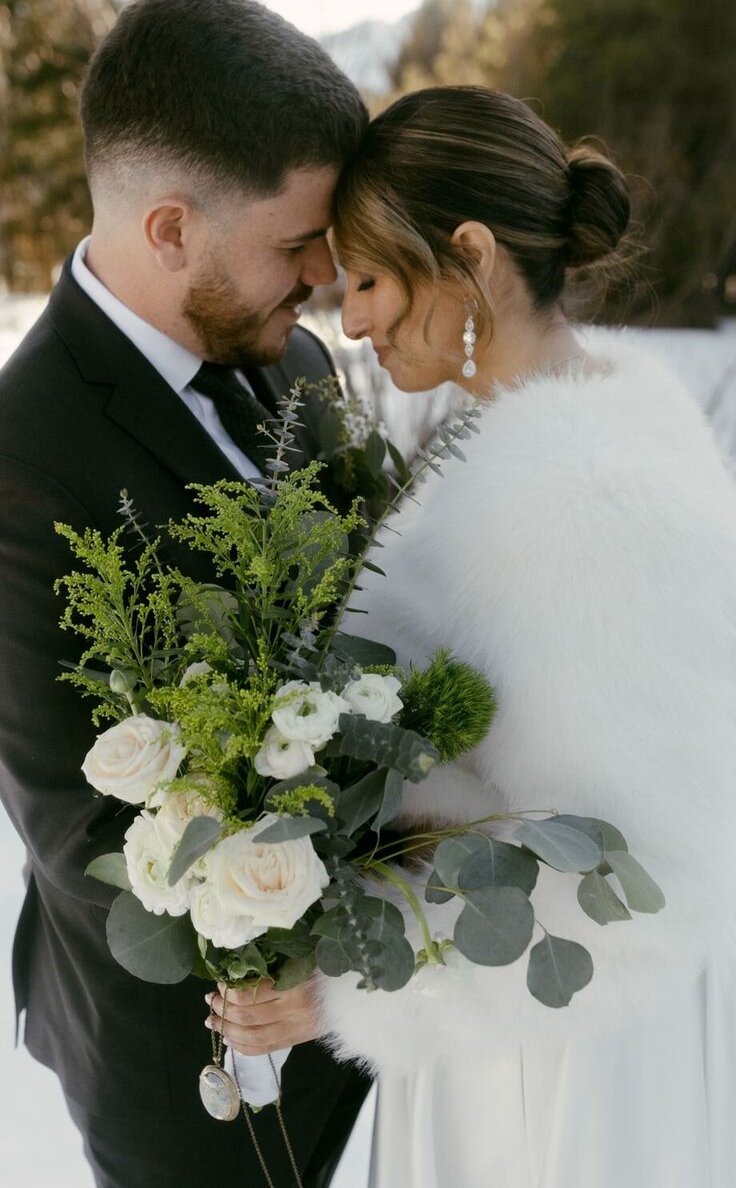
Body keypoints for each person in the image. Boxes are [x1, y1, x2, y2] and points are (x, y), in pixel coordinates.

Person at [0, 0, 371, 1185]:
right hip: (196, 1080)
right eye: (297, 243)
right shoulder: (4, 478)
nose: (327, 276)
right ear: (172, 228)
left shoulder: (294, 356)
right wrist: (343, 956)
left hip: (390, 1042)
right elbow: (90, 842)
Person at [312, 86, 736, 1187]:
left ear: (469, 254)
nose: (349, 320)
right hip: (512, 1024)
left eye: (365, 279)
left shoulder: (569, 494)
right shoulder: (572, 435)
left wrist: (339, 981)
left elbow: (631, 884)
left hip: (554, 1059)